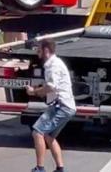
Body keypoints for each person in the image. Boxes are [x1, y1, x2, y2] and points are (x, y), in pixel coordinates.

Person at [26, 39, 76, 172]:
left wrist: (34, 92)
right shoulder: (56, 63)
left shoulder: (52, 65)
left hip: (62, 106)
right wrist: (40, 88)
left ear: (46, 50)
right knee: (49, 136)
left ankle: (40, 168)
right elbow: (53, 86)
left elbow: (51, 87)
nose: (37, 52)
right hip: (65, 106)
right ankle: (60, 168)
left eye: (39, 49)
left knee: (38, 132)